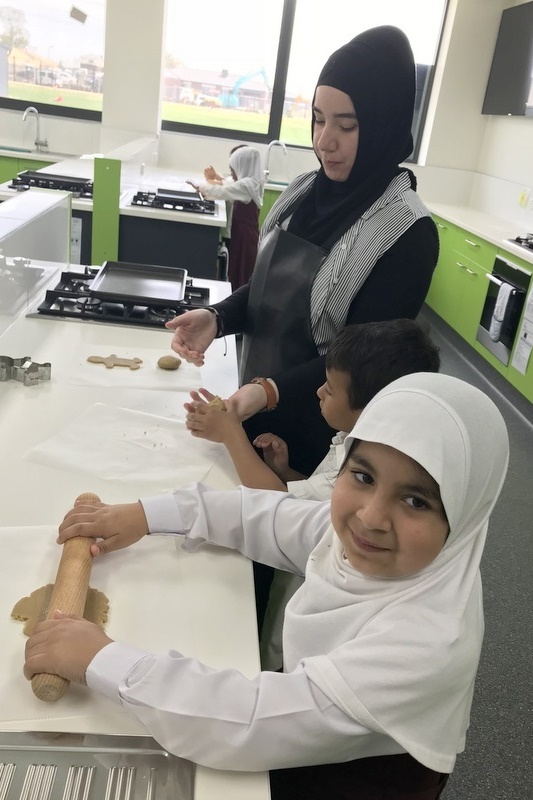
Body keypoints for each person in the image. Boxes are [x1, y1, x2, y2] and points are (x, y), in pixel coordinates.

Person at [24, 372, 509, 800]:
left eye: (416, 501)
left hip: (361, 777)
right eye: (361, 475)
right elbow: (261, 514)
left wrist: (103, 660)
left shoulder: (426, 643)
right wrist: (144, 515)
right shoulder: (358, 535)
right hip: (310, 718)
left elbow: (249, 723)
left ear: (465, 514)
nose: (371, 516)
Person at [166, 25, 440, 480]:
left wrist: (268, 391)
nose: (324, 140)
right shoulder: (304, 192)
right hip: (250, 406)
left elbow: (362, 363)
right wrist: (218, 318)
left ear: (384, 122)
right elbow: (274, 289)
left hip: (318, 436)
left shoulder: (406, 233)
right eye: (318, 119)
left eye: (346, 125)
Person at [186, 318, 441, 668]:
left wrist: (231, 433)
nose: (319, 392)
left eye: (331, 389)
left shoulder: (370, 463)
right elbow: (319, 497)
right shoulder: (352, 440)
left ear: (370, 408)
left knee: (286, 658)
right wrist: (286, 473)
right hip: (304, 576)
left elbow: (278, 505)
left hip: (312, 601)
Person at [187, 144, 264, 290]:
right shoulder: (252, 181)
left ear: (242, 166)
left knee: (240, 273)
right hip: (243, 233)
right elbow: (231, 183)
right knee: (238, 271)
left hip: (244, 237)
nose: (232, 174)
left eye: (233, 169)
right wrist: (216, 179)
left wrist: (200, 187)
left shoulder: (247, 185)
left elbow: (223, 191)